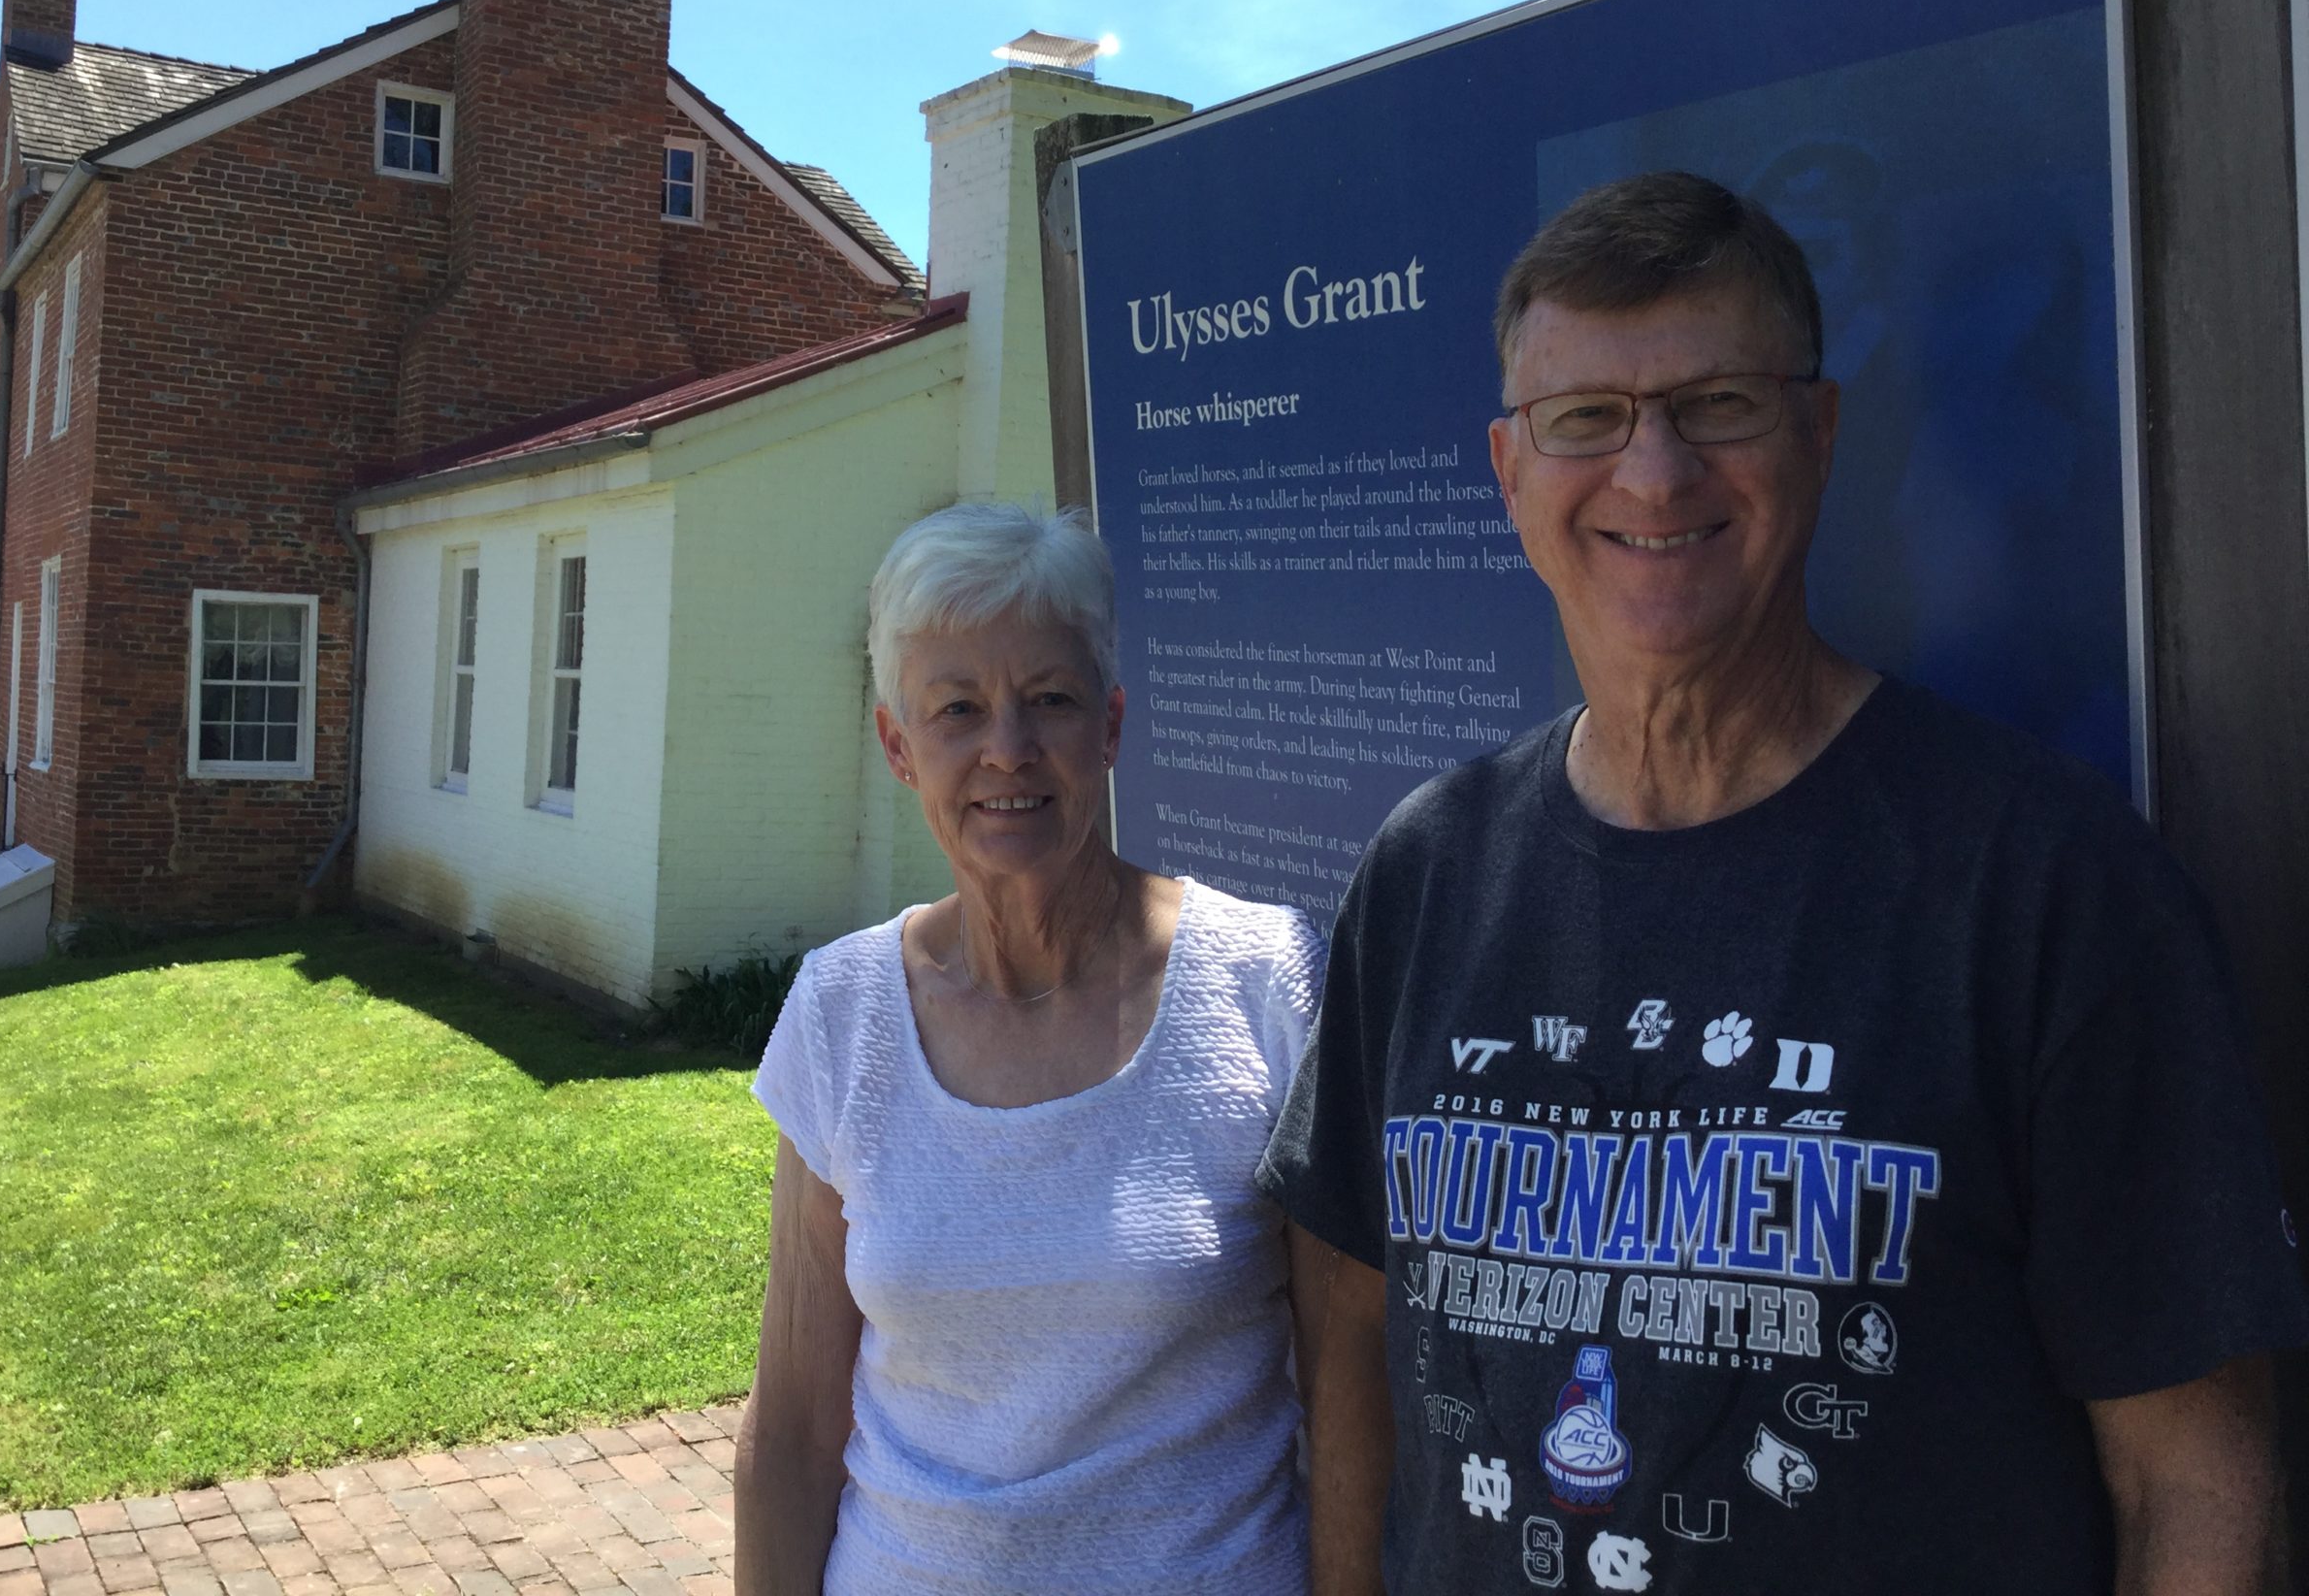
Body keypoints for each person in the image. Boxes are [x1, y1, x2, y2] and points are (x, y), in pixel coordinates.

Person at [1263, 172, 2309, 1593]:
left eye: (1718, 405)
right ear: (1511, 473)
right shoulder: (1429, 867)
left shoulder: (2047, 889)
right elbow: (1350, 1331)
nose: (1653, 473)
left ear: (1817, 435)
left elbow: (2193, 1474)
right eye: (1588, 422)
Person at [735, 502, 1326, 1595]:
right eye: (957, 709)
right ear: (898, 746)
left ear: (1108, 724)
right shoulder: (840, 1013)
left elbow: (1350, 1406)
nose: (1007, 748)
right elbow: (794, 1430)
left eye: (1046, 701)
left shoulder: (1266, 984)